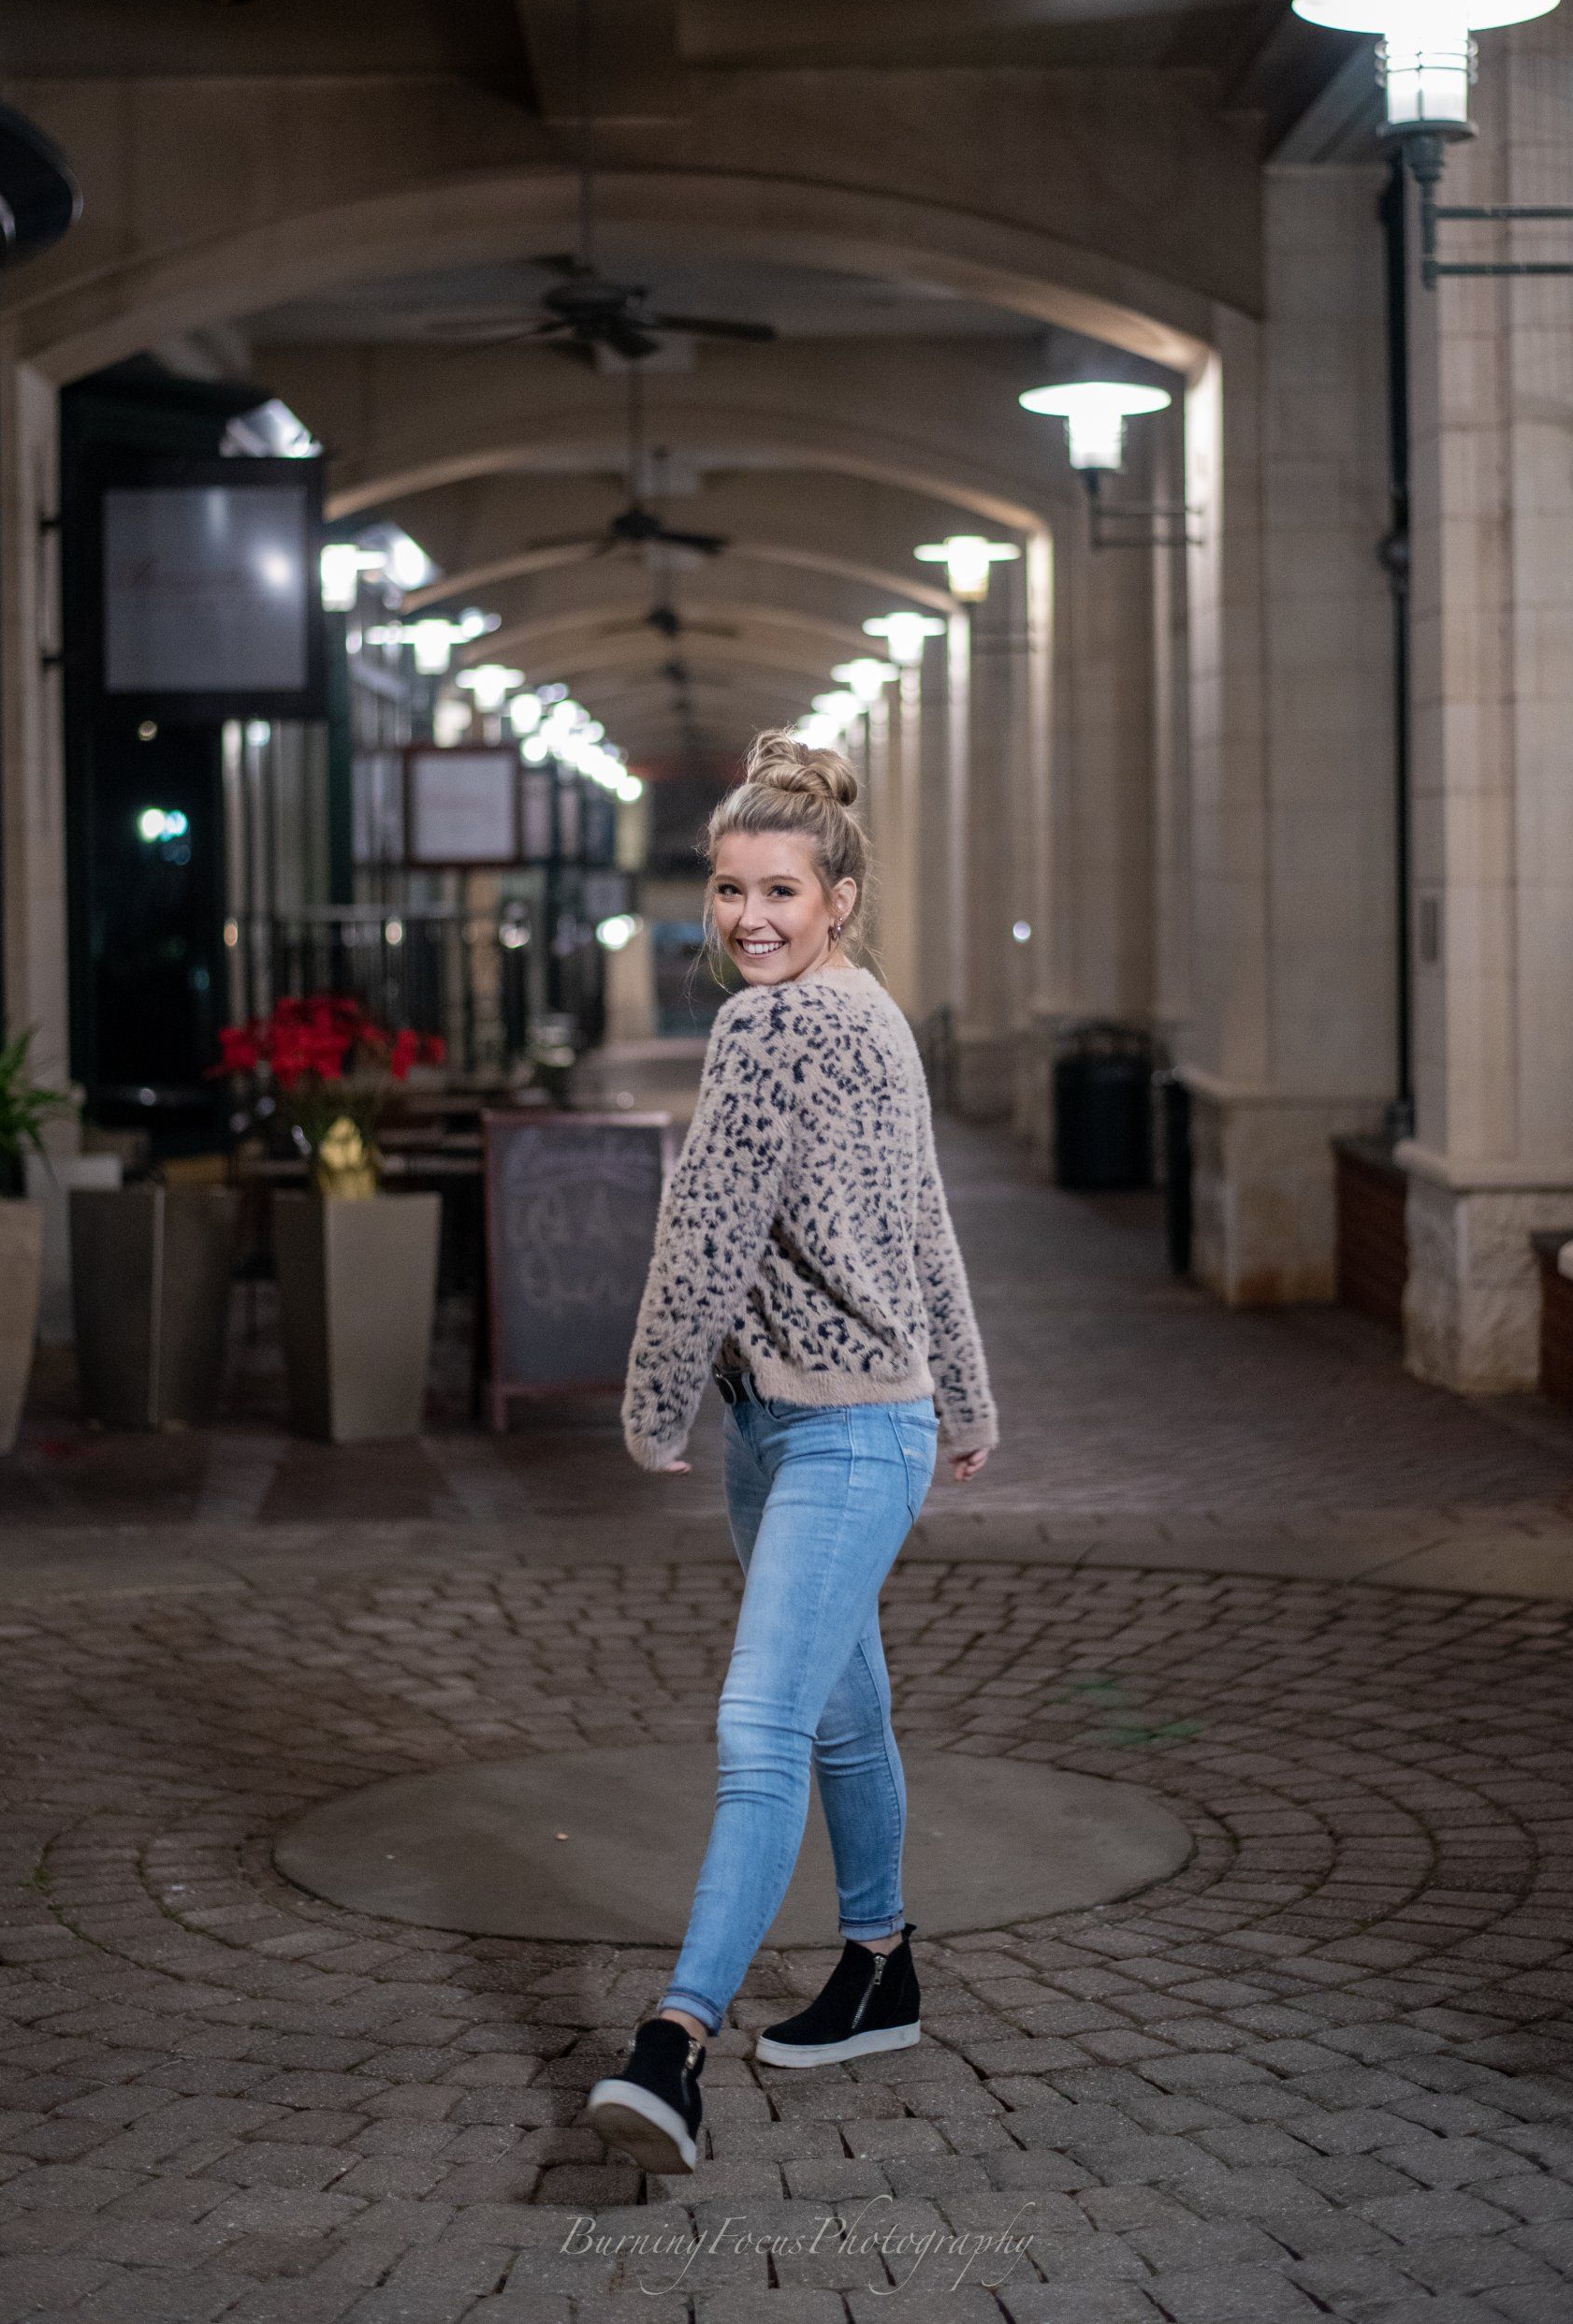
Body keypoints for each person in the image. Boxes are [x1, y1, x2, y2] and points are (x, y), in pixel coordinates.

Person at [582, 729, 998, 2175]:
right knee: (837, 1716)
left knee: (759, 1730)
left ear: (839, 895)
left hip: (838, 1437)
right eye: (727, 889)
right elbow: (920, 1216)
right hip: (817, 1423)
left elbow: (701, 1233)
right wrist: (965, 1390)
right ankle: (879, 1969)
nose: (748, 917)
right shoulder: (870, 1011)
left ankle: (673, 2044)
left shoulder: (770, 1030)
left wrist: (646, 1405)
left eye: (778, 891)